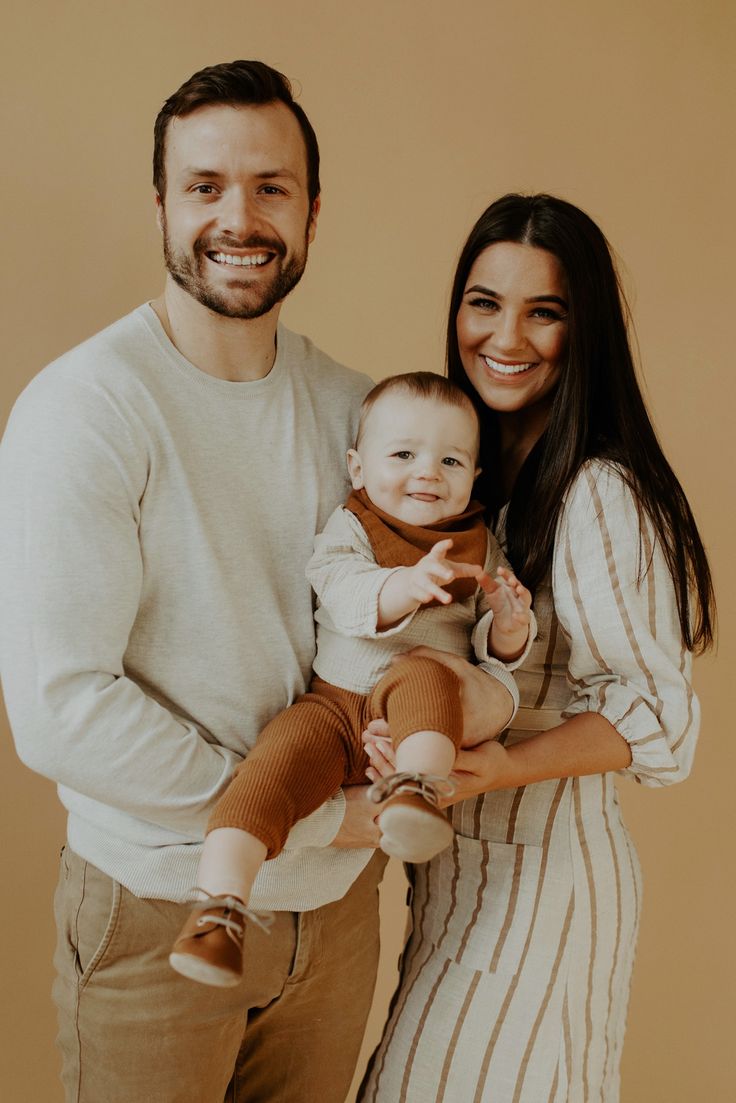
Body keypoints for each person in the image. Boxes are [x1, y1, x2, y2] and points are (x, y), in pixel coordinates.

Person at [0, 61, 514, 1103]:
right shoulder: (85, 410)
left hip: (334, 919)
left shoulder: (359, 416)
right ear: (160, 204)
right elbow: (60, 712)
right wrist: (319, 814)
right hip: (161, 907)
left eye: (271, 187)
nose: (240, 216)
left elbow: (415, 625)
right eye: (205, 186)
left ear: (313, 211)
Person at [359, 193, 716, 1102]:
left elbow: (663, 722)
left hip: (544, 887)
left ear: (581, 328)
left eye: (543, 311)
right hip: (461, 881)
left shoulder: (597, 489)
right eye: (484, 302)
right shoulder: (468, 480)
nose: (505, 335)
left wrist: (494, 769)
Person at [169, 372, 534, 988]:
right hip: (335, 705)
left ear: (474, 478)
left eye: (451, 459)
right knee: (271, 768)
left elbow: (485, 658)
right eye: (403, 455)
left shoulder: (480, 545)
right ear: (358, 467)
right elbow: (338, 587)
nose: (427, 472)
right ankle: (217, 910)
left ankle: (414, 789)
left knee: (426, 675)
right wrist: (403, 586)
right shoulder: (354, 525)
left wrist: (508, 626)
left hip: (415, 709)